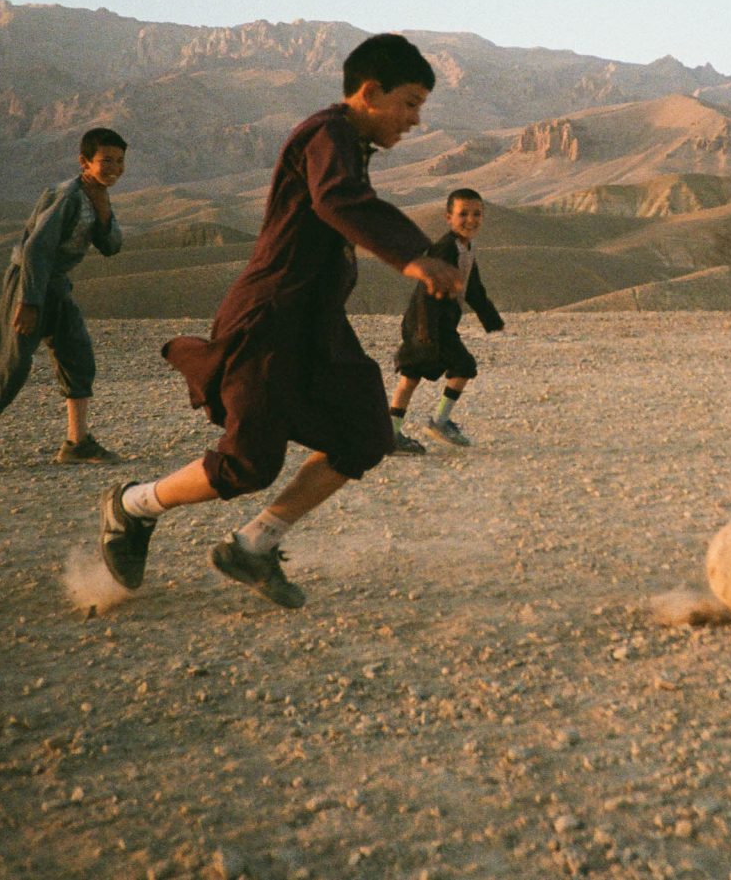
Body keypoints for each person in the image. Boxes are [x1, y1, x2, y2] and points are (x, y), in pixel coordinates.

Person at [95, 34, 463, 609]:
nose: (416, 120)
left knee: (366, 433)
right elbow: (336, 200)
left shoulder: (349, 143)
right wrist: (414, 256)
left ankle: (255, 544)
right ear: (371, 92)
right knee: (249, 463)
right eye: (411, 103)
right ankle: (132, 507)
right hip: (270, 318)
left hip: (317, 325)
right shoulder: (327, 134)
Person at [0, 128, 128, 470]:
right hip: (30, 283)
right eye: (106, 161)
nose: (114, 167)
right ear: (84, 162)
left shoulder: (97, 195)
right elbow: (36, 250)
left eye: (119, 161)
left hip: (56, 284)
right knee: (12, 362)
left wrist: (103, 210)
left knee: (77, 356)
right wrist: (29, 302)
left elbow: (112, 246)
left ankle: (77, 443)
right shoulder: (67, 196)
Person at [390, 187, 504, 448]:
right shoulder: (444, 249)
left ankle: (402, 431)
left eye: (476, 214)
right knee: (442, 370)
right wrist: (425, 333)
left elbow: (472, 286)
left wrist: (490, 318)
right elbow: (426, 295)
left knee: (423, 374)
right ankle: (433, 424)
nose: (470, 220)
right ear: (448, 218)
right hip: (426, 322)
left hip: (439, 323)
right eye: (463, 214)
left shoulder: (466, 248)